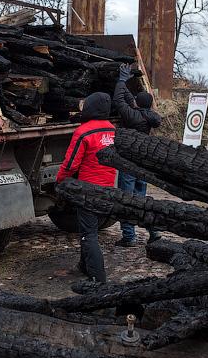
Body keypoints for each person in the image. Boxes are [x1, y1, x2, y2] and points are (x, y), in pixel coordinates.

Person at [56, 91, 117, 283]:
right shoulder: (112, 130)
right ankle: (84, 266)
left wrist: (60, 180)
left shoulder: (83, 132)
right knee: (89, 230)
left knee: (89, 235)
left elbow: (71, 164)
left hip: (87, 190)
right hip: (107, 188)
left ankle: (98, 279)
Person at [112, 64, 162, 247]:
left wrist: (121, 80)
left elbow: (119, 100)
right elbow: (128, 99)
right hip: (143, 163)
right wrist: (126, 82)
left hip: (129, 162)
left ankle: (129, 236)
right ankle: (154, 231)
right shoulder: (149, 116)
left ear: (137, 104)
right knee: (141, 199)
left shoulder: (133, 117)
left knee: (126, 198)